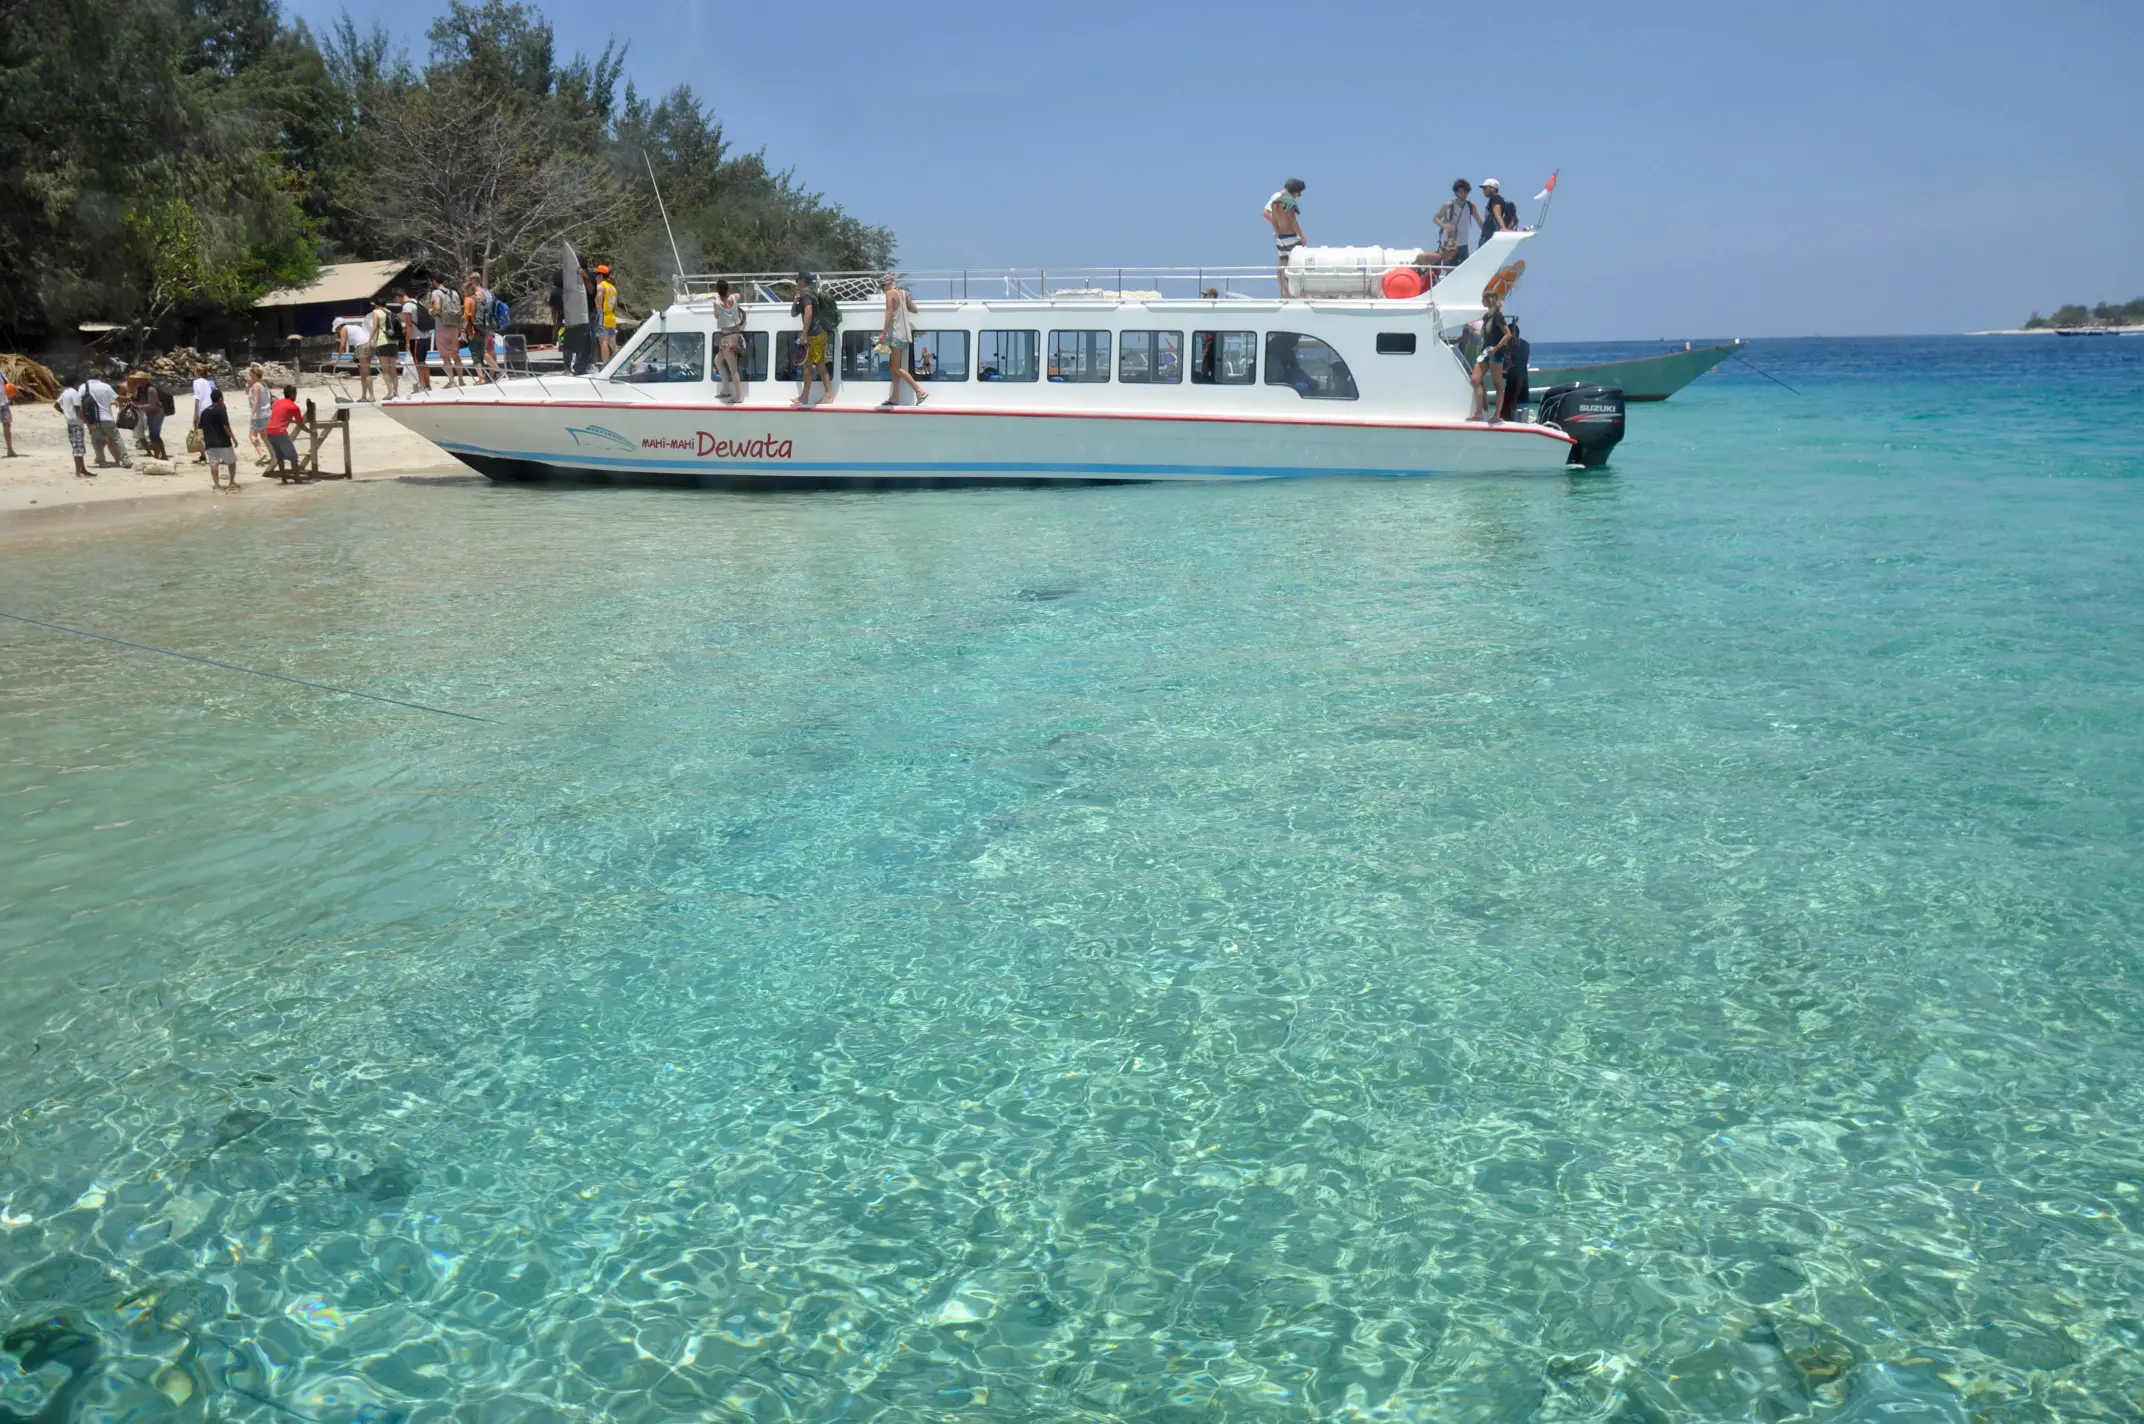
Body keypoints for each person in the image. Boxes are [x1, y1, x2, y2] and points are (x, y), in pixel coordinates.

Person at [874, 273, 928, 409]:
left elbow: (889, 313)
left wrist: (883, 334)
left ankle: (919, 391)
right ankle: (894, 397)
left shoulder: (890, 293)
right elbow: (914, 310)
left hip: (896, 334)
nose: (883, 290)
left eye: (882, 286)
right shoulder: (903, 293)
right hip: (905, 335)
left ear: (886, 284)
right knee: (893, 366)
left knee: (896, 366)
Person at [789, 273, 835, 407]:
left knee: (819, 364)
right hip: (816, 334)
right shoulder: (812, 292)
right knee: (808, 365)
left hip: (815, 335)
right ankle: (804, 396)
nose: (796, 281)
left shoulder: (805, 294)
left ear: (803, 280)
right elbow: (794, 313)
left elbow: (808, 312)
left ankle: (828, 395)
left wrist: (804, 332)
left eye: (797, 279)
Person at [1469, 290, 1514, 423]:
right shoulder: (1486, 317)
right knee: (1475, 380)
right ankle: (1478, 412)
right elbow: (1485, 335)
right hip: (1485, 352)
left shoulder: (1498, 316)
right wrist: (1472, 331)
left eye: (1483, 299)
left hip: (1496, 353)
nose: (1482, 301)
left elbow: (1508, 334)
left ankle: (1496, 415)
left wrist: (1496, 348)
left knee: (1498, 384)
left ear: (1489, 299)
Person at [1263, 178, 1307, 297]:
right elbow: (1292, 219)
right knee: (1298, 265)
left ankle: (1284, 294)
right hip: (1291, 236)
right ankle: (1298, 295)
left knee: (1282, 266)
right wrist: (1301, 236)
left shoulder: (1275, 201)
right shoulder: (1289, 201)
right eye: (1299, 193)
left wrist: (1277, 231)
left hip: (1281, 238)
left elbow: (1272, 218)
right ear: (1295, 191)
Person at [84, 371, 128, 467]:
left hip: (92, 418)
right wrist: (130, 398)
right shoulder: (105, 386)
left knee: (97, 441)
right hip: (106, 417)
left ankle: (102, 462)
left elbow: (79, 403)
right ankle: (125, 460)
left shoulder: (83, 387)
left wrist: (84, 419)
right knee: (116, 438)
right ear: (99, 376)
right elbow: (117, 398)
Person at [712, 278, 746, 402]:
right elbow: (739, 295)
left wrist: (715, 302)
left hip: (727, 339)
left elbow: (716, 316)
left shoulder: (717, 303)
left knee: (733, 370)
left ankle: (738, 397)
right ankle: (726, 389)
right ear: (727, 289)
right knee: (717, 360)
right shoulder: (733, 298)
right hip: (736, 336)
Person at [199, 387, 239, 490]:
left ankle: (217, 485)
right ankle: (231, 482)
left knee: (214, 463)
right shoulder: (221, 410)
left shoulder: (204, 412)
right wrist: (234, 439)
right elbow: (226, 427)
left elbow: (201, 427)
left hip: (210, 442)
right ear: (220, 399)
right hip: (223, 442)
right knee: (231, 462)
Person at [264, 383, 306, 476]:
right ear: (292, 395)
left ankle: (284, 479)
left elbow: (280, 416)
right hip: (280, 432)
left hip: (269, 431)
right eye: (296, 394)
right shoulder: (294, 407)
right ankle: (297, 479)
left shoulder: (276, 403)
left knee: (279, 456)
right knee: (293, 457)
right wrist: (311, 431)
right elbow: (301, 425)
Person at [1435, 179, 1479, 267]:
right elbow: (1436, 218)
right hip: (1449, 244)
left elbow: (1480, 221)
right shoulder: (1449, 205)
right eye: (1461, 191)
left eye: (1466, 191)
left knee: (1464, 270)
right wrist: (1444, 225)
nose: (1464, 194)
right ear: (1456, 192)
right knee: (1450, 271)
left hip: (1464, 244)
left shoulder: (1471, 206)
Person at [431, 274, 465, 387]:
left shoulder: (436, 293)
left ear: (434, 281)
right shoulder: (454, 293)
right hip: (454, 326)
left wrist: (430, 311)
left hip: (442, 326)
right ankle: (461, 379)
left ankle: (451, 381)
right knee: (455, 354)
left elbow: (436, 308)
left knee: (445, 356)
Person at [56, 374, 91, 477]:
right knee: (78, 448)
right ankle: (78, 472)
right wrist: (87, 422)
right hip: (76, 423)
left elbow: (56, 405)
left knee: (78, 446)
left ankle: (83, 469)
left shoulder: (65, 393)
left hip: (70, 422)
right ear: (75, 383)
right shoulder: (74, 393)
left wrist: (66, 413)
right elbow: (78, 409)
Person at [1497, 319, 1530, 421]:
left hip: (1518, 394)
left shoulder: (1521, 348)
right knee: (1504, 418)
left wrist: (1515, 398)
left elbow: (1520, 375)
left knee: (1515, 420)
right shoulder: (1509, 349)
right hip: (1510, 391)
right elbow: (1507, 371)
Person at [128, 372, 167, 459]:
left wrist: (138, 406)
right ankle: (162, 455)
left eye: (138, 379)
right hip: (150, 413)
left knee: (154, 435)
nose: (136, 380)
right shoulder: (141, 389)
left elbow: (152, 405)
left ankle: (159, 455)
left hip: (157, 413)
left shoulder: (151, 389)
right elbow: (139, 400)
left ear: (144, 380)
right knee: (154, 435)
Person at [245, 365, 272, 462]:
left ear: (255, 376)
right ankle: (273, 454)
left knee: (252, 435)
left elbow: (256, 400)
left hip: (259, 415)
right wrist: (247, 384)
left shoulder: (256, 386)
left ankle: (261, 453)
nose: (249, 377)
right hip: (266, 414)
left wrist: (252, 414)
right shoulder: (262, 384)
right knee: (264, 436)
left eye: (251, 375)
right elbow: (247, 392)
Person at [594, 264, 619, 364]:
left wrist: (598, 310)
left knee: (602, 341)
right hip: (611, 317)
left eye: (596, 274)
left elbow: (598, 298)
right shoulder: (612, 288)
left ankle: (605, 364)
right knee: (612, 343)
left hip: (603, 316)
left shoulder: (601, 286)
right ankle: (619, 363)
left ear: (600, 275)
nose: (596, 277)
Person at [191, 365, 215, 461]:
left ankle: (203, 455)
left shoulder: (196, 382)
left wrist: (195, 414)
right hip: (211, 406)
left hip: (202, 408)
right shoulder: (207, 382)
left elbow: (197, 398)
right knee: (210, 431)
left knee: (199, 431)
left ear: (198, 372)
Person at [0, 369, 15, 457]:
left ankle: (10, 449)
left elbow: (7, 384)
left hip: (3, 402)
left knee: (7, 425)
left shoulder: (1, 372)